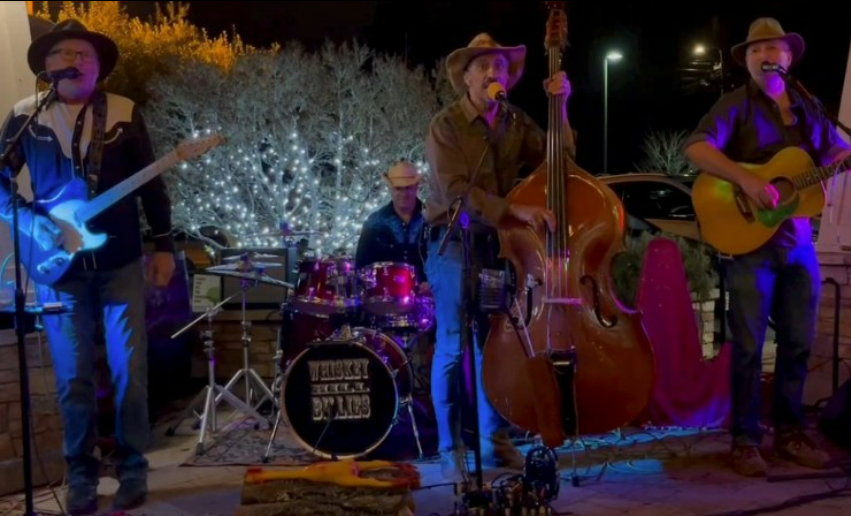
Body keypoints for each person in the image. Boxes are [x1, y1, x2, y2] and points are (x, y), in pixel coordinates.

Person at [0, 20, 176, 513]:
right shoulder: (23, 117)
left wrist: (163, 246)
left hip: (119, 259)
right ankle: (79, 475)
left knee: (129, 370)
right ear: (47, 67)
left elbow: (152, 188)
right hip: (58, 268)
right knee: (72, 375)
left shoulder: (123, 111)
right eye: (63, 53)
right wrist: (34, 224)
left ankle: (132, 468)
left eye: (84, 53)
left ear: (98, 66)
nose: (75, 59)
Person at [683, 17, 851, 477]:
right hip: (750, 244)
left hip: (798, 243)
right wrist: (748, 180)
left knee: (798, 343)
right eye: (755, 50)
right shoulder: (735, 104)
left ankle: (791, 433)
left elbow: (834, 152)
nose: (764, 56)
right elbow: (696, 149)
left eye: (772, 48)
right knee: (750, 346)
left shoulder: (808, 108)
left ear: (788, 58)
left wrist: (840, 160)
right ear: (748, 61)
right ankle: (745, 439)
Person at [423, 33, 575, 478]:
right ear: (466, 77)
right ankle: (449, 444)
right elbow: (454, 192)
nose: (494, 73)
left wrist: (561, 106)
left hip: (497, 246)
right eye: (484, 66)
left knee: (493, 345)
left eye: (502, 68)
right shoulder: (445, 125)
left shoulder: (514, 120)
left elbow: (560, 157)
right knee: (452, 343)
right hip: (451, 242)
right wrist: (514, 209)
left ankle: (495, 440)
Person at [354, 161, 429, 294]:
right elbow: (361, 265)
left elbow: (444, 261)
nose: (404, 193)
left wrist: (433, 283)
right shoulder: (374, 223)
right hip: (385, 299)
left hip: (426, 299)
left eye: (408, 188)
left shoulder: (432, 220)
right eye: (398, 188)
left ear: (417, 187)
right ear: (389, 188)